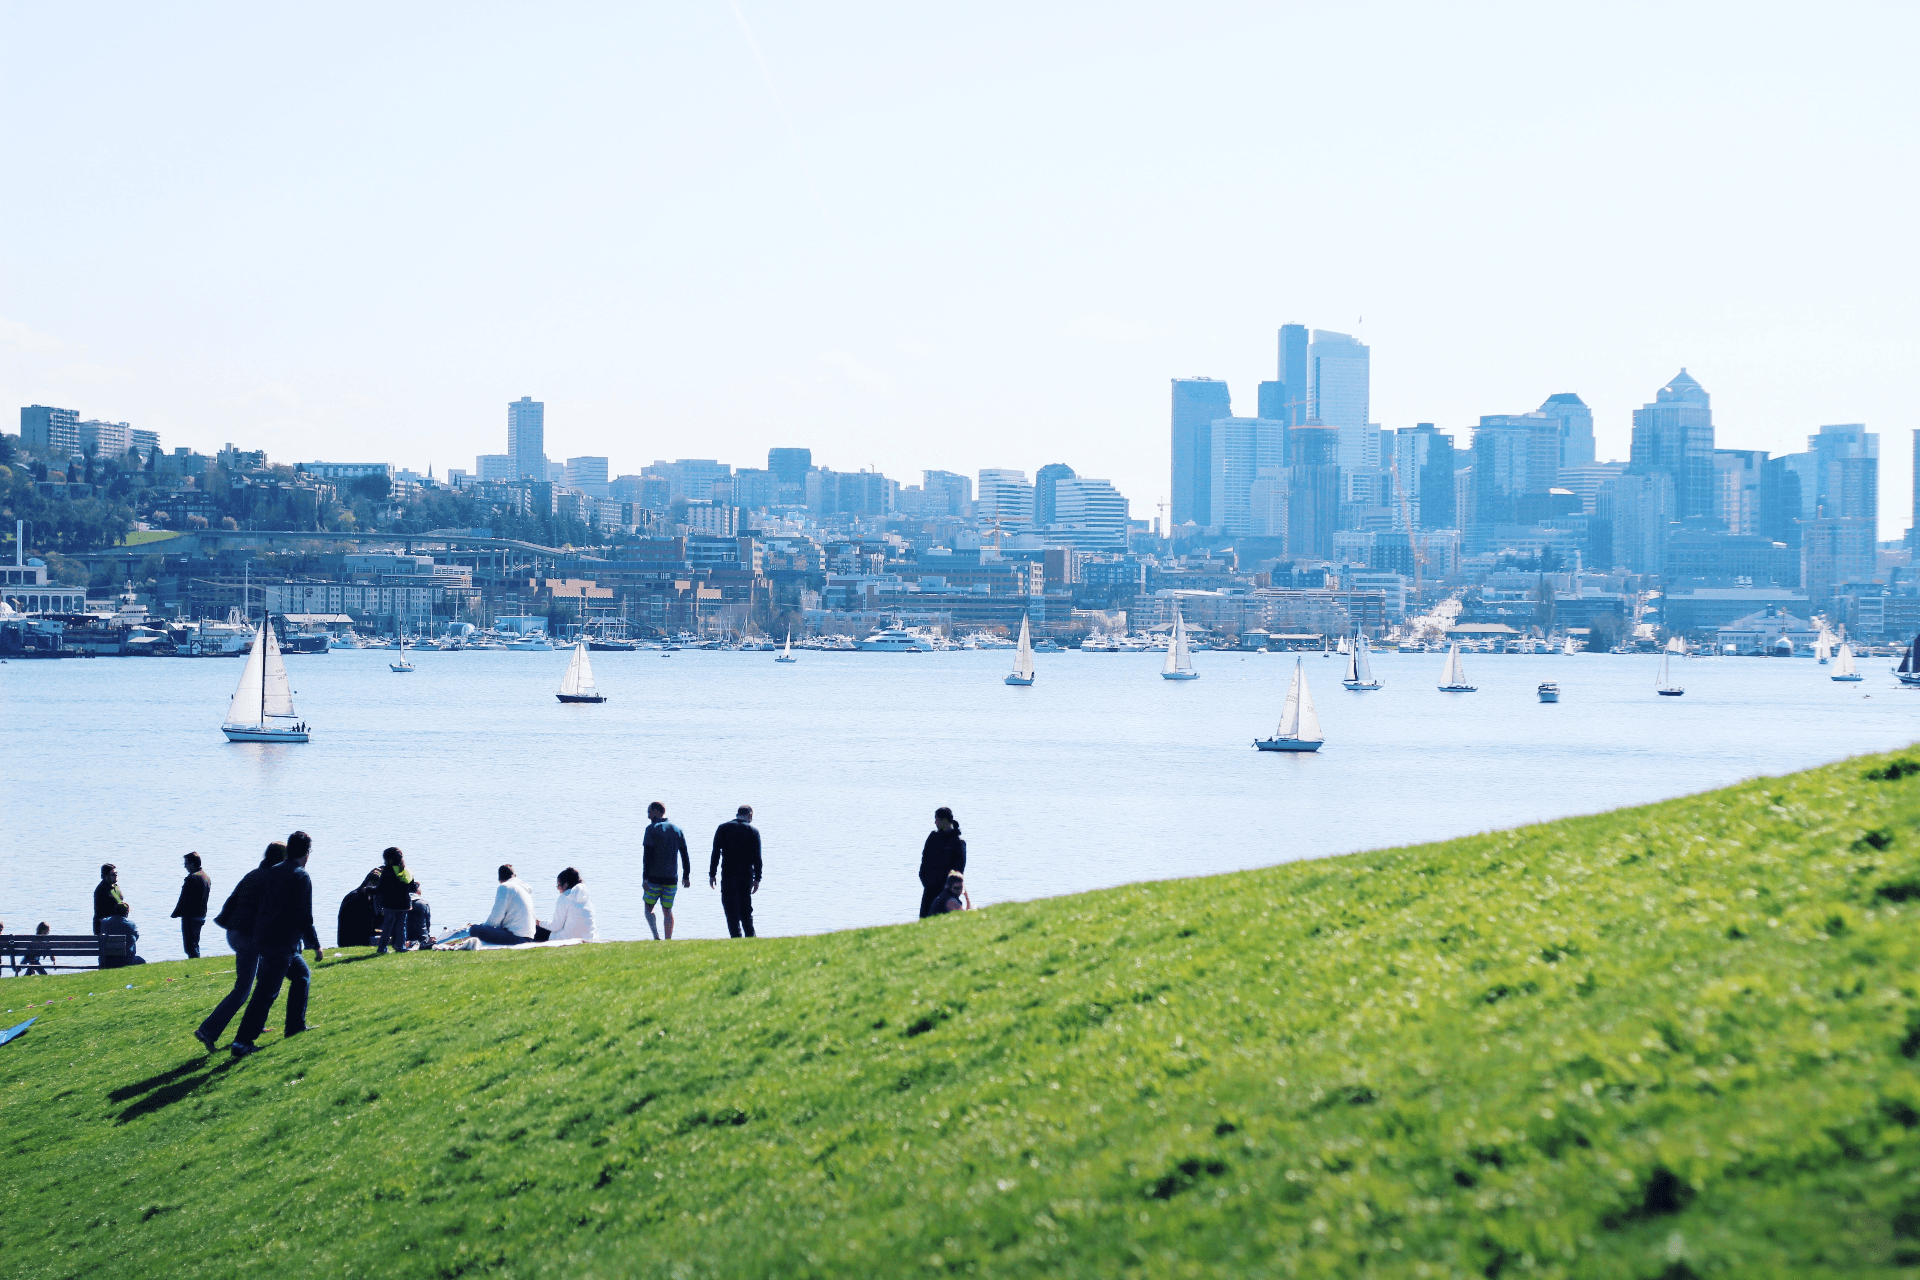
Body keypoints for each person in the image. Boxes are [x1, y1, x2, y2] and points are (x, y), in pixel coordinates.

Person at [230, 830, 323, 1057]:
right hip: (282, 943)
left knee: (301, 976)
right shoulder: (301, 876)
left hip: (266, 938)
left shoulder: (273, 871)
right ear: (307, 852)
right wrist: (315, 944)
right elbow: (304, 916)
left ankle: (295, 1026)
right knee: (266, 993)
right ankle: (242, 1042)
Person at [196, 842, 286, 1052]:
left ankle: (256, 1024)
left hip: (234, 932)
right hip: (248, 936)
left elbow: (232, 900)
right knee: (243, 989)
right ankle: (208, 1031)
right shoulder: (272, 878)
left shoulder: (254, 873)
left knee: (262, 979)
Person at [709, 804, 763, 938]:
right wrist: (757, 878)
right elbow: (757, 858)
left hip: (728, 875)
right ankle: (751, 937)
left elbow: (715, 853)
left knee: (730, 908)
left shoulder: (723, 828)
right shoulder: (753, 831)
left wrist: (712, 874)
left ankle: (735, 937)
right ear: (749, 815)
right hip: (746, 876)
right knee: (746, 910)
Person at [641, 801, 691, 940]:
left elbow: (647, 856)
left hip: (653, 878)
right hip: (671, 879)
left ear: (656, 812)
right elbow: (685, 855)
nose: (648, 816)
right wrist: (686, 876)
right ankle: (668, 940)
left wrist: (644, 878)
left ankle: (656, 936)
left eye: (649, 812)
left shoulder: (651, 829)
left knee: (648, 908)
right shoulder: (677, 830)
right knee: (667, 910)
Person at [460, 864, 536, 946]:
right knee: (484, 928)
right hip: (529, 937)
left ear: (500, 880)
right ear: (514, 876)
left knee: (474, 929)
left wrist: (483, 927)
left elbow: (496, 917)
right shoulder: (524, 888)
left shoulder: (505, 887)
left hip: (515, 937)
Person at [917, 807, 967, 919]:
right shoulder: (933, 838)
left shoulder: (958, 842)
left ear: (944, 820)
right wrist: (925, 880)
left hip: (947, 891)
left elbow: (959, 868)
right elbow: (924, 861)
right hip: (929, 887)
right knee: (924, 918)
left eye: (937, 819)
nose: (935, 822)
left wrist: (948, 886)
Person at [171, 852, 213, 959]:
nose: (185, 866)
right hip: (201, 915)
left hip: (190, 916)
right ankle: (196, 962)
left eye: (186, 863)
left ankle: (195, 964)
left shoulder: (192, 878)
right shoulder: (206, 877)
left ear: (193, 864)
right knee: (195, 943)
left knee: (189, 946)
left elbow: (184, 898)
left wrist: (176, 913)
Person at [374, 847, 414, 955]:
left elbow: (380, 888)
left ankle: (382, 948)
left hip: (390, 904)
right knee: (401, 926)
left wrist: (368, 890)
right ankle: (401, 947)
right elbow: (412, 887)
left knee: (387, 926)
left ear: (389, 859)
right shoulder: (407, 871)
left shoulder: (387, 871)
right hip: (404, 904)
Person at [541, 868, 598, 941]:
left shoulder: (564, 897)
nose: (558, 888)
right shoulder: (587, 897)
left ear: (565, 885)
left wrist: (539, 922)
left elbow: (555, 926)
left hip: (569, 939)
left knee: (537, 930)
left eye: (558, 885)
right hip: (590, 937)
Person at [337, 870, 382, 947]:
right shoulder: (357, 899)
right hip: (354, 940)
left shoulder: (358, 895)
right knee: (391, 940)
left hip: (357, 938)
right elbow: (365, 927)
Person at [92, 863, 126, 935]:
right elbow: (99, 914)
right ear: (106, 876)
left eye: (116, 873)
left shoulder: (116, 887)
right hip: (106, 927)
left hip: (118, 923)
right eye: (113, 874)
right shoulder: (101, 890)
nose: (116, 876)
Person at [405, 880, 431, 949]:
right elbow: (428, 923)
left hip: (405, 937)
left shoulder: (403, 903)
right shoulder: (423, 904)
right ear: (417, 890)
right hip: (422, 937)